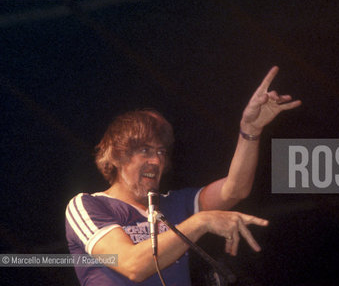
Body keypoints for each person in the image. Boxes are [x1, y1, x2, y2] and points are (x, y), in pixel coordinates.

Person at [65, 66, 301, 285]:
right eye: (145, 150)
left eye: (161, 152)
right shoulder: (88, 205)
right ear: (116, 156)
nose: (156, 160)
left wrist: (251, 130)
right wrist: (201, 221)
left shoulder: (175, 204)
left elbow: (235, 189)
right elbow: (132, 264)